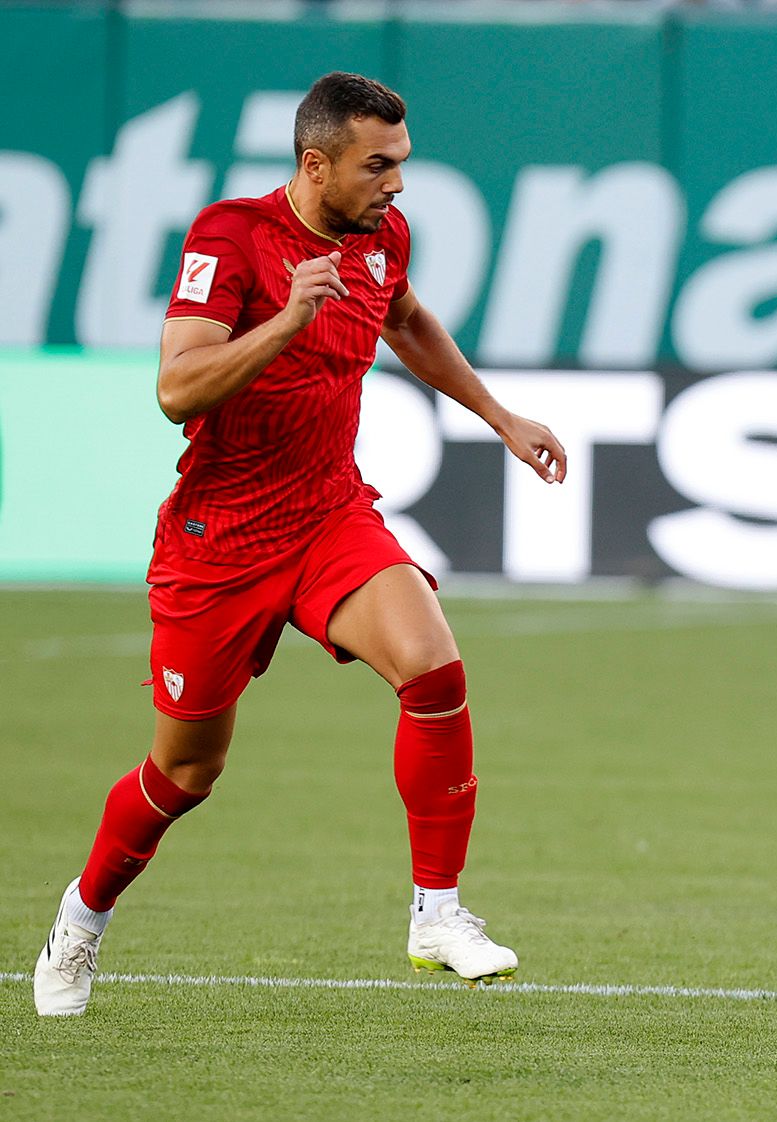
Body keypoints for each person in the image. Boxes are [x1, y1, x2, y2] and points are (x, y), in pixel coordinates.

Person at [34, 72, 567, 1016]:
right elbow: (177, 391)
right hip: (219, 540)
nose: (397, 184)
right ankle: (81, 918)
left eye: (402, 163)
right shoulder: (230, 237)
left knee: (434, 670)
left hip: (327, 514)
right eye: (378, 166)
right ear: (316, 163)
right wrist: (285, 320)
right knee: (185, 773)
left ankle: (436, 913)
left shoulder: (380, 237)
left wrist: (498, 414)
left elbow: (404, 318)